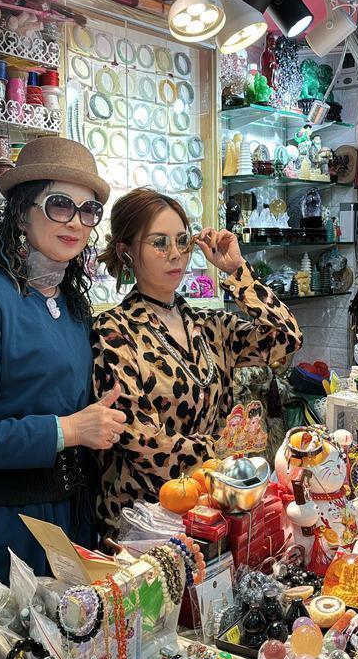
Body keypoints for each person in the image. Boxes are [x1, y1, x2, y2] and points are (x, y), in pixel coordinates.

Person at [0, 137, 126, 583]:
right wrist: (66, 430)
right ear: (21, 212)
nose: (76, 222)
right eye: (60, 205)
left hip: (67, 519)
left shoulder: (71, 306)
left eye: (88, 210)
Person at [92, 187, 302, 538]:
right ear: (126, 252)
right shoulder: (114, 331)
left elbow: (286, 339)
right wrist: (226, 453)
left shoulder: (208, 325)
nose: (176, 254)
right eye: (159, 243)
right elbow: (144, 444)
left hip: (211, 515)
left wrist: (237, 271)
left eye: (182, 241)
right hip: (146, 524)